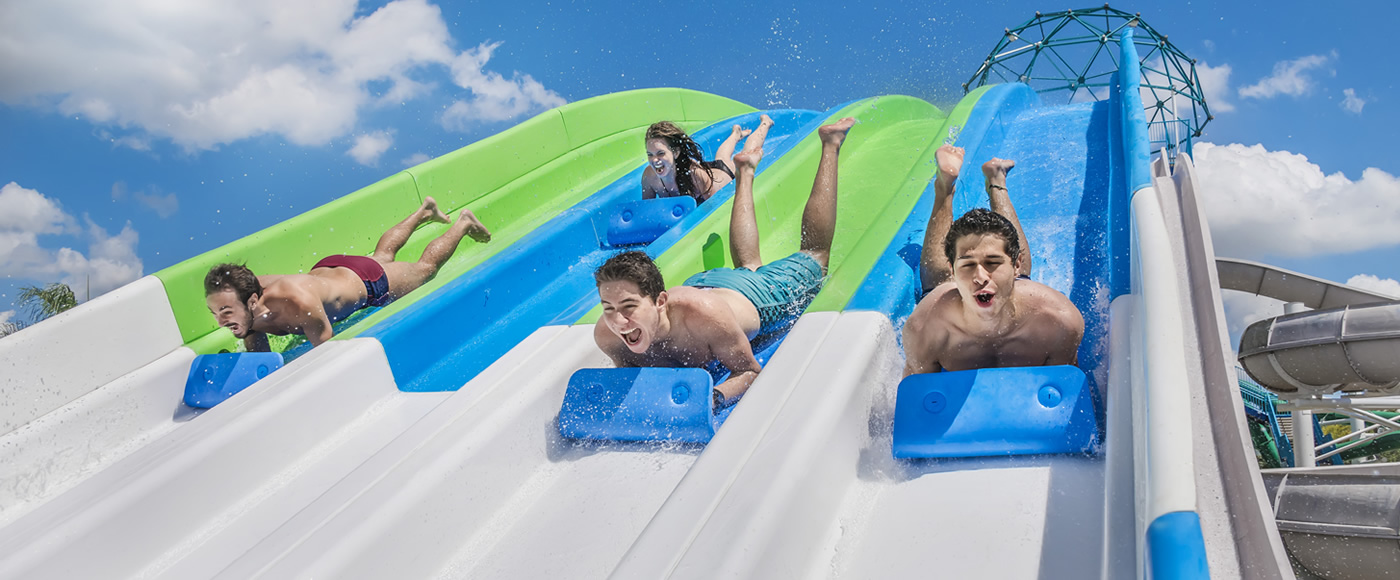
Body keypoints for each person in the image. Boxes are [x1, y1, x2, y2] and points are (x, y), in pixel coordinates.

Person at [595, 116, 856, 408]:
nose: (618, 321)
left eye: (629, 307)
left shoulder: (704, 318)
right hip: (706, 284)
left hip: (753, 298)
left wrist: (713, 398)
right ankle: (745, 174)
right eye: (608, 308)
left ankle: (830, 144)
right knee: (749, 266)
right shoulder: (608, 336)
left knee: (815, 256)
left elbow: (748, 370)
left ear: (659, 301)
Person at [204, 197, 490, 352]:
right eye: (216, 311)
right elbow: (260, 360)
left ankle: (463, 223)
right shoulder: (246, 307)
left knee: (424, 270)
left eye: (225, 311)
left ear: (252, 301)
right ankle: (424, 212)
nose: (220, 320)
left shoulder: (298, 303)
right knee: (382, 255)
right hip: (328, 271)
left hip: (366, 282)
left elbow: (325, 355)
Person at [901, 145, 1084, 376]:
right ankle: (944, 188)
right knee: (938, 281)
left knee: (1015, 267)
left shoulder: (1058, 321)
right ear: (954, 269)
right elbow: (915, 398)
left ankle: (997, 180)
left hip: (1023, 290)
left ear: (1015, 263)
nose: (980, 277)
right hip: (946, 297)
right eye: (967, 266)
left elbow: (1065, 390)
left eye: (992, 264)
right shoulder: (925, 328)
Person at [641, 115, 774, 203]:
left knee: (745, 156)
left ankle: (765, 124)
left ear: (675, 153)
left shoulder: (694, 175)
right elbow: (645, 213)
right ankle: (736, 134)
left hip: (723, 175)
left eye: (660, 153)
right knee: (721, 157)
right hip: (708, 170)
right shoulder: (649, 177)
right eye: (650, 154)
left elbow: (715, 209)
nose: (655, 160)